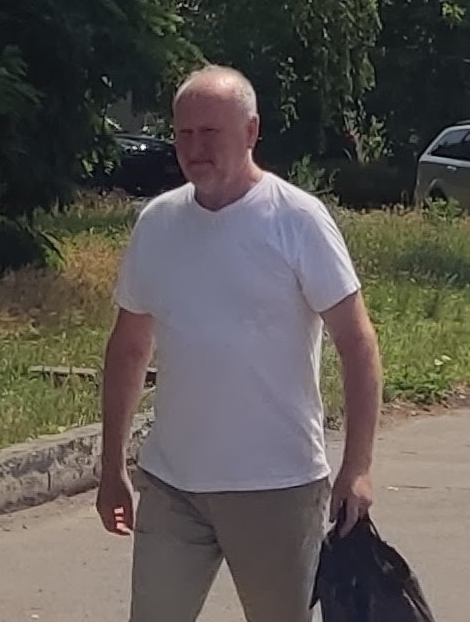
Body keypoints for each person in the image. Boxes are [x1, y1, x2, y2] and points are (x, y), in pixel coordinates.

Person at [98, 67, 384, 622]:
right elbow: (129, 347)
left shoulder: (297, 220)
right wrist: (112, 466)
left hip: (276, 487)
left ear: (251, 131)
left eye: (210, 133)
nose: (195, 148)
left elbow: (357, 342)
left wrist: (357, 467)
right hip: (174, 486)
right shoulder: (158, 223)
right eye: (184, 134)